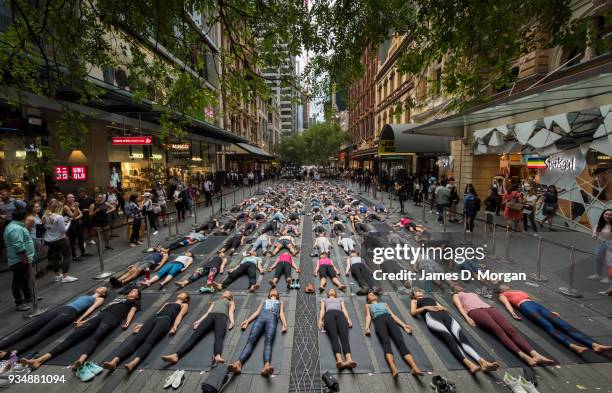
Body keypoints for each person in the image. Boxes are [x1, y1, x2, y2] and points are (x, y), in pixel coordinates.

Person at [21, 288, 141, 370]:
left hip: (113, 319)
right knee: (73, 336)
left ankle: (81, 360)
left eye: (135, 291)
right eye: (132, 290)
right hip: (101, 316)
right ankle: (40, 360)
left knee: (96, 336)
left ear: (137, 296)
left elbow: (132, 312)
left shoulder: (135, 303)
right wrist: (85, 320)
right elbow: (101, 310)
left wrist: (127, 322)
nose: (132, 291)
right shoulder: (118, 299)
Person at [451, 285, 554, 366]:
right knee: (498, 330)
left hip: (489, 308)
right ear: (454, 290)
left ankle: (535, 354)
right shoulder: (456, 295)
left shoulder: (472, 293)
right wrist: (467, 317)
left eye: (458, 285)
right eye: (454, 287)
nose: (457, 287)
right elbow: (460, 307)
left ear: (462, 287)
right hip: (475, 311)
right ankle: (522, 355)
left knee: (510, 329)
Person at [498, 285, 612, 354]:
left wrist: (549, 311)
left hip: (536, 306)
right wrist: (512, 313)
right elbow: (507, 304)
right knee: (549, 326)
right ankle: (572, 346)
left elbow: (533, 301)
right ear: (500, 289)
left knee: (563, 324)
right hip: (526, 308)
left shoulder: (519, 291)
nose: (505, 285)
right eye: (502, 285)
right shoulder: (503, 294)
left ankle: (594, 345)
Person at [0, 287, 108, 358]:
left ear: (104, 293)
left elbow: (92, 308)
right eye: (101, 286)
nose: (101, 287)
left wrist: (81, 319)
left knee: (42, 333)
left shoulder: (99, 299)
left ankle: (12, 353)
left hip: (70, 313)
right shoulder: (88, 294)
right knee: (27, 330)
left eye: (104, 288)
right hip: (61, 309)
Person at [410, 288, 499, 374]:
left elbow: (443, 308)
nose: (419, 292)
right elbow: (413, 312)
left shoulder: (430, 298)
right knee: (449, 339)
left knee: (462, 337)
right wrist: (425, 307)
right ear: (413, 295)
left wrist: (442, 308)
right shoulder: (414, 301)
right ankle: (469, 365)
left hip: (445, 316)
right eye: (417, 291)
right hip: (432, 317)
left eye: (420, 291)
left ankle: (483, 362)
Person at [102, 292, 190, 373]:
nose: (180, 294)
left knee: (149, 341)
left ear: (186, 299)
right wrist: (142, 325)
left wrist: (174, 327)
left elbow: (179, 316)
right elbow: (157, 313)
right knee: (136, 340)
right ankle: (114, 362)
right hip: (154, 318)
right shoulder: (167, 303)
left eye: (183, 294)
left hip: (165, 320)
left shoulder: (184, 305)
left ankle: (133, 363)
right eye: (181, 293)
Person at [162, 291, 236, 365]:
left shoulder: (231, 302)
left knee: (219, 337)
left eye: (227, 293)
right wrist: (199, 321)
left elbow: (230, 312)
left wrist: (232, 322)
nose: (225, 293)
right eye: (225, 292)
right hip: (210, 316)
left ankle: (217, 355)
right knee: (194, 336)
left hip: (221, 317)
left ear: (230, 296)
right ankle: (176, 355)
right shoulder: (215, 302)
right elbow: (207, 312)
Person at [229, 288, 287, 376]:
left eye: (276, 290)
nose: (274, 290)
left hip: (272, 318)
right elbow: (257, 312)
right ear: (269, 293)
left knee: (268, 342)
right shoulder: (264, 300)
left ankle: (266, 366)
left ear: (278, 295)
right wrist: (247, 321)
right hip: (261, 318)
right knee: (251, 341)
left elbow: (281, 313)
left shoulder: (280, 302)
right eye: (272, 290)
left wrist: (284, 324)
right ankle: (238, 364)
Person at [364, 293, 423, 377]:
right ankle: (393, 368)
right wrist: (367, 327)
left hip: (389, 319)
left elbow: (392, 315)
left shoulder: (384, 304)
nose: (373, 295)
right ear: (368, 300)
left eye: (373, 294)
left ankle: (414, 367)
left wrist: (404, 325)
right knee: (386, 342)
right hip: (378, 321)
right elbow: (368, 316)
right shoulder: (368, 305)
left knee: (400, 342)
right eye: (370, 295)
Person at [3, 208, 35, 311]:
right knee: (18, 282)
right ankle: (19, 303)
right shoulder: (15, 228)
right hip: (19, 260)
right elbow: (18, 245)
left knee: (25, 279)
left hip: (22, 259)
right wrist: (24, 258)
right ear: (24, 217)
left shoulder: (16, 226)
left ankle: (28, 297)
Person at [318, 289, 356, 369]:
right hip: (329, 315)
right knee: (333, 336)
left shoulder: (340, 299)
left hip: (340, 314)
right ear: (328, 293)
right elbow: (322, 310)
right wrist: (320, 319)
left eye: (333, 290)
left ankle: (349, 360)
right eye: (330, 290)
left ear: (335, 293)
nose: (331, 290)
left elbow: (344, 309)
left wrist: (348, 319)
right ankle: (339, 360)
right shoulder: (324, 299)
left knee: (344, 337)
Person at [43, 199, 78, 283]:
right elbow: (63, 230)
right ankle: (65, 276)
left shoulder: (44, 216)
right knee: (66, 255)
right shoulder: (59, 217)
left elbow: (45, 228)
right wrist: (68, 222)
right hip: (60, 239)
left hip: (49, 239)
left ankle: (57, 275)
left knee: (55, 257)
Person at [590, 209, 612, 283]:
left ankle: (609, 278)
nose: (608, 216)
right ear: (603, 215)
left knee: (609, 261)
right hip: (600, 243)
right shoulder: (600, 224)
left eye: (610, 215)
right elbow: (595, 232)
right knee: (598, 258)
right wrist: (595, 235)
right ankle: (598, 274)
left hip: (611, 244)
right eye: (606, 214)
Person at [63, 193, 86, 261]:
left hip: (76, 223)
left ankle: (83, 252)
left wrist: (75, 218)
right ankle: (74, 255)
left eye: (73, 197)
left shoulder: (74, 204)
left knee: (80, 237)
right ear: (67, 199)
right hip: (70, 225)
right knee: (72, 240)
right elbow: (73, 215)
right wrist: (76, 208)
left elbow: (81, 214)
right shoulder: (65, 207)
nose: (71, 199)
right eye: (69, 197)